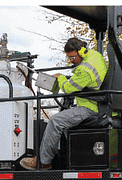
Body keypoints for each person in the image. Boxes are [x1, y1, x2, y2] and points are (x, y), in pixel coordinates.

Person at [18, 38, 107, 171]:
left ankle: (44, 162)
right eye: (69, 58)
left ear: (81, 51)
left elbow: (68, 88)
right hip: (96, 103)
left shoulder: (84, 69)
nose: (71, 61)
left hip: (91, 107)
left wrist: (60, 77)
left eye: (72, 57)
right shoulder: (96, 56)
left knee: (55, 121)